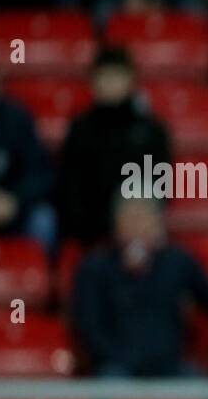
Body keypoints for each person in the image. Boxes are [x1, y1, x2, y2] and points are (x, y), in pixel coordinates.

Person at [71, 193, 208, 376]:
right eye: (131, 218)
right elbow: (89, 327)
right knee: (112, 382)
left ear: (158, 224)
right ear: (116, 224)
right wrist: (115, 357)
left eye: (145, 218)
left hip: (170, 367)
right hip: (118, 368)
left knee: (197, 387)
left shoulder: (178, 262)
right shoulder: (96, 267)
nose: (138, 227)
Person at [57, 47, 172, 248]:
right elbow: (70, 187)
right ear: (93, 82)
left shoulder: (151, 131)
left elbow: (160, 186)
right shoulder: (80, 129)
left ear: (131, 80)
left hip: (139, 232)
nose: (110, 83)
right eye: (104, 76)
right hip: (89, 234)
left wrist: (131, 223)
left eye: (116, 76)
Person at [0, 49, 54, 244]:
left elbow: (41, 174)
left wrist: (13, 201)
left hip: (11, 213)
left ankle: (40, 272)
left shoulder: (16, 120)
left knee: (44, 219)